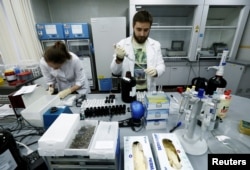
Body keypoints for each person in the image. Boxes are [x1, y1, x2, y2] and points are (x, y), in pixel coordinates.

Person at [110, 10, 165, 92]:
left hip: (148, 89)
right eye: (139, 29)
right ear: (133, 26)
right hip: (129, 89)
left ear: (150, 28)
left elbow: (161, 65)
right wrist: (119, 59)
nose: (142, 34)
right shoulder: (122, 44)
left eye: (146, 30)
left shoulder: (156, 45)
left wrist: (156, 71)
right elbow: (114, 71)